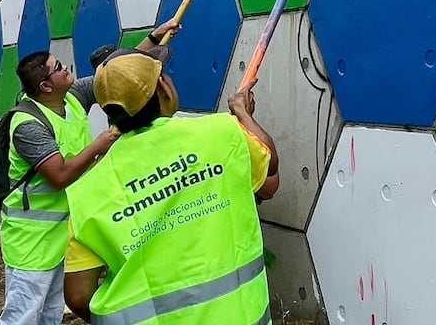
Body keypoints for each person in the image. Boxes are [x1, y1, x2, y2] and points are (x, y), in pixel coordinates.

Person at [63, 44, 280, 324]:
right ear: (163, 88)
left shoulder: (86, 190)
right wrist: (243, 114)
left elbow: (78, 296)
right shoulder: (222, 133)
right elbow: (270, 165)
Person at [0, 21, 179, 325]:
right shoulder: (28, 124)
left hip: (62, 234)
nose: (66, 68)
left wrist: (152, 39)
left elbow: (115, 72)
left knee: (50, 312)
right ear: (45, 85)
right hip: (31, 241)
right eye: (58, 68)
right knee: (23, 313)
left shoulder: (71, 98)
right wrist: (101, 143)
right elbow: (59, 176)